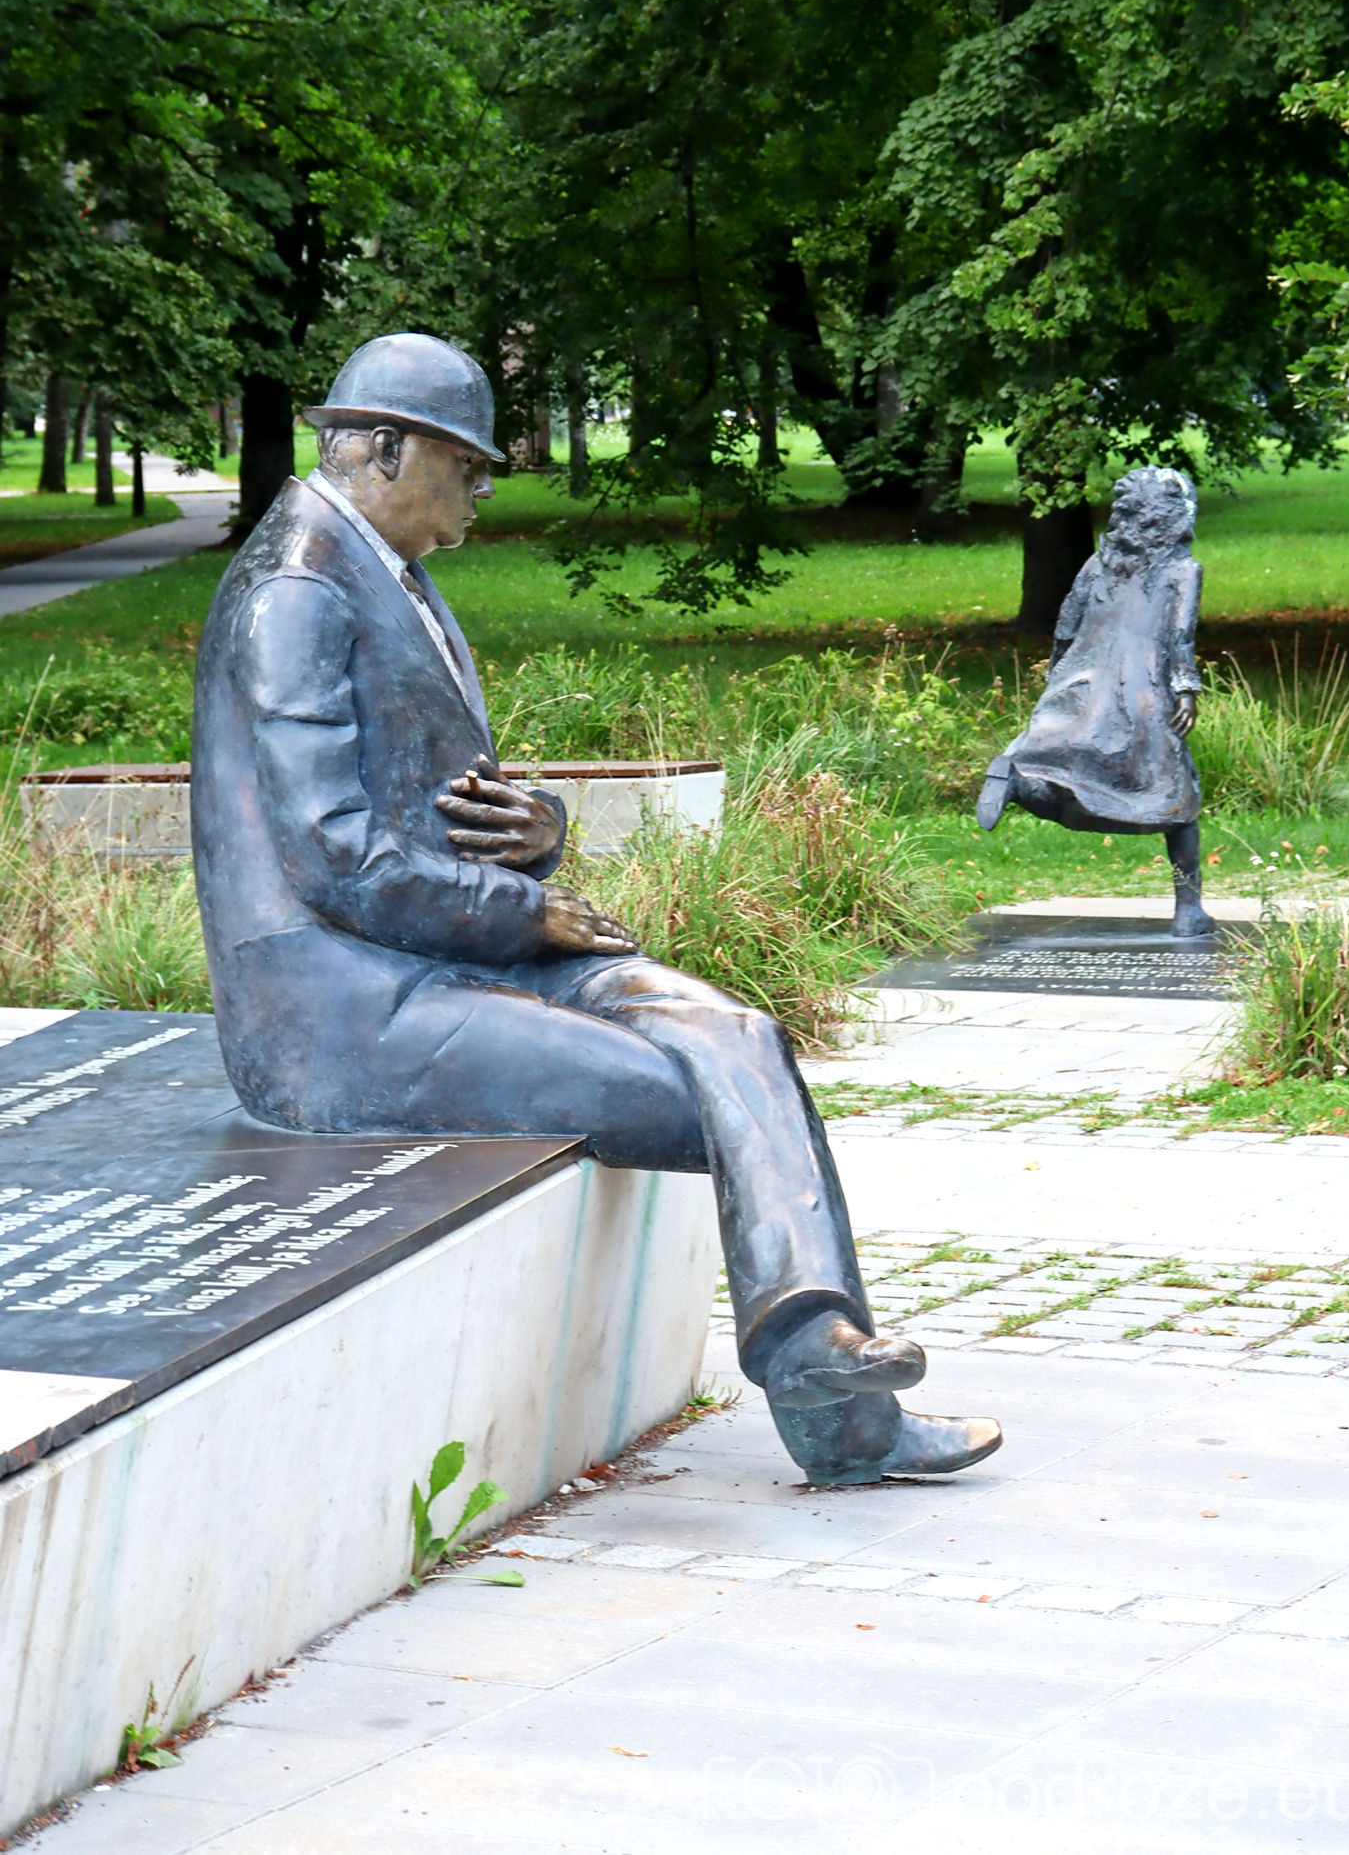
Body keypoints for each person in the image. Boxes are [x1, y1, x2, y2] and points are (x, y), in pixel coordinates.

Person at [191, 333, 1002, 1487]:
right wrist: (526, 916)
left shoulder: (379, 568)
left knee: (739, 1038)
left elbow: (428, 803)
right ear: (382, 448)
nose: (484, 488)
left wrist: (536, 834)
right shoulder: (297, 590)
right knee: (702, 1093)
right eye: (467, 464)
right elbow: (333, 860)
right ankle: (837, 1413)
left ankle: (823, 1358)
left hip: (447, 947)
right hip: (336, 1008)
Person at [976, 466, 1212, 937]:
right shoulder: (1183, 571)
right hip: (1142, 695)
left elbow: (1066, 623)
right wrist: (1186, 690)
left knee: (1061, 777)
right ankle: (1189, 911)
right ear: (1173, 517)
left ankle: (1017, 784)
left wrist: (1058, 679)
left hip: (1081, 686)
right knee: (1177, 805)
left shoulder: (1097, 564)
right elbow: (1179, 637)